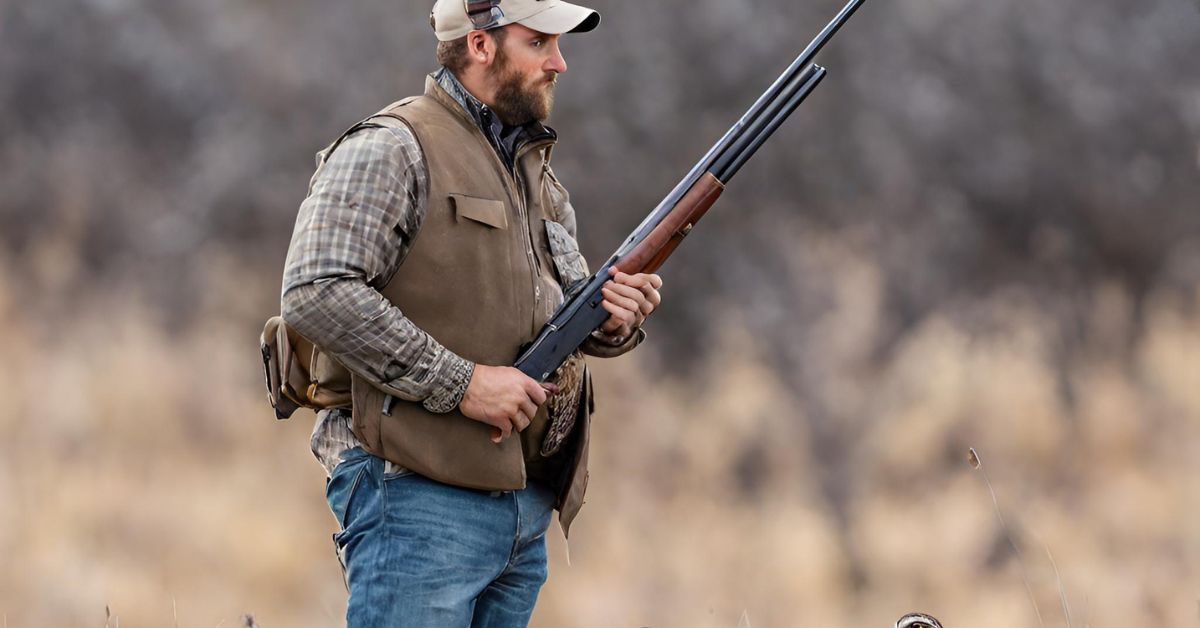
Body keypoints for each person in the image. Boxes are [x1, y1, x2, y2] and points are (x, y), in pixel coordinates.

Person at [279, 1, 664, 625]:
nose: (559, 63)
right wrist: (464, 385)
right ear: (481, 45)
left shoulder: (531, 168)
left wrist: (615, 319)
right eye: (539, 42)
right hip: (412, 495)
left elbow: (557, 314)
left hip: (521, 508)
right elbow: (315, 289)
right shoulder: (392, 147)